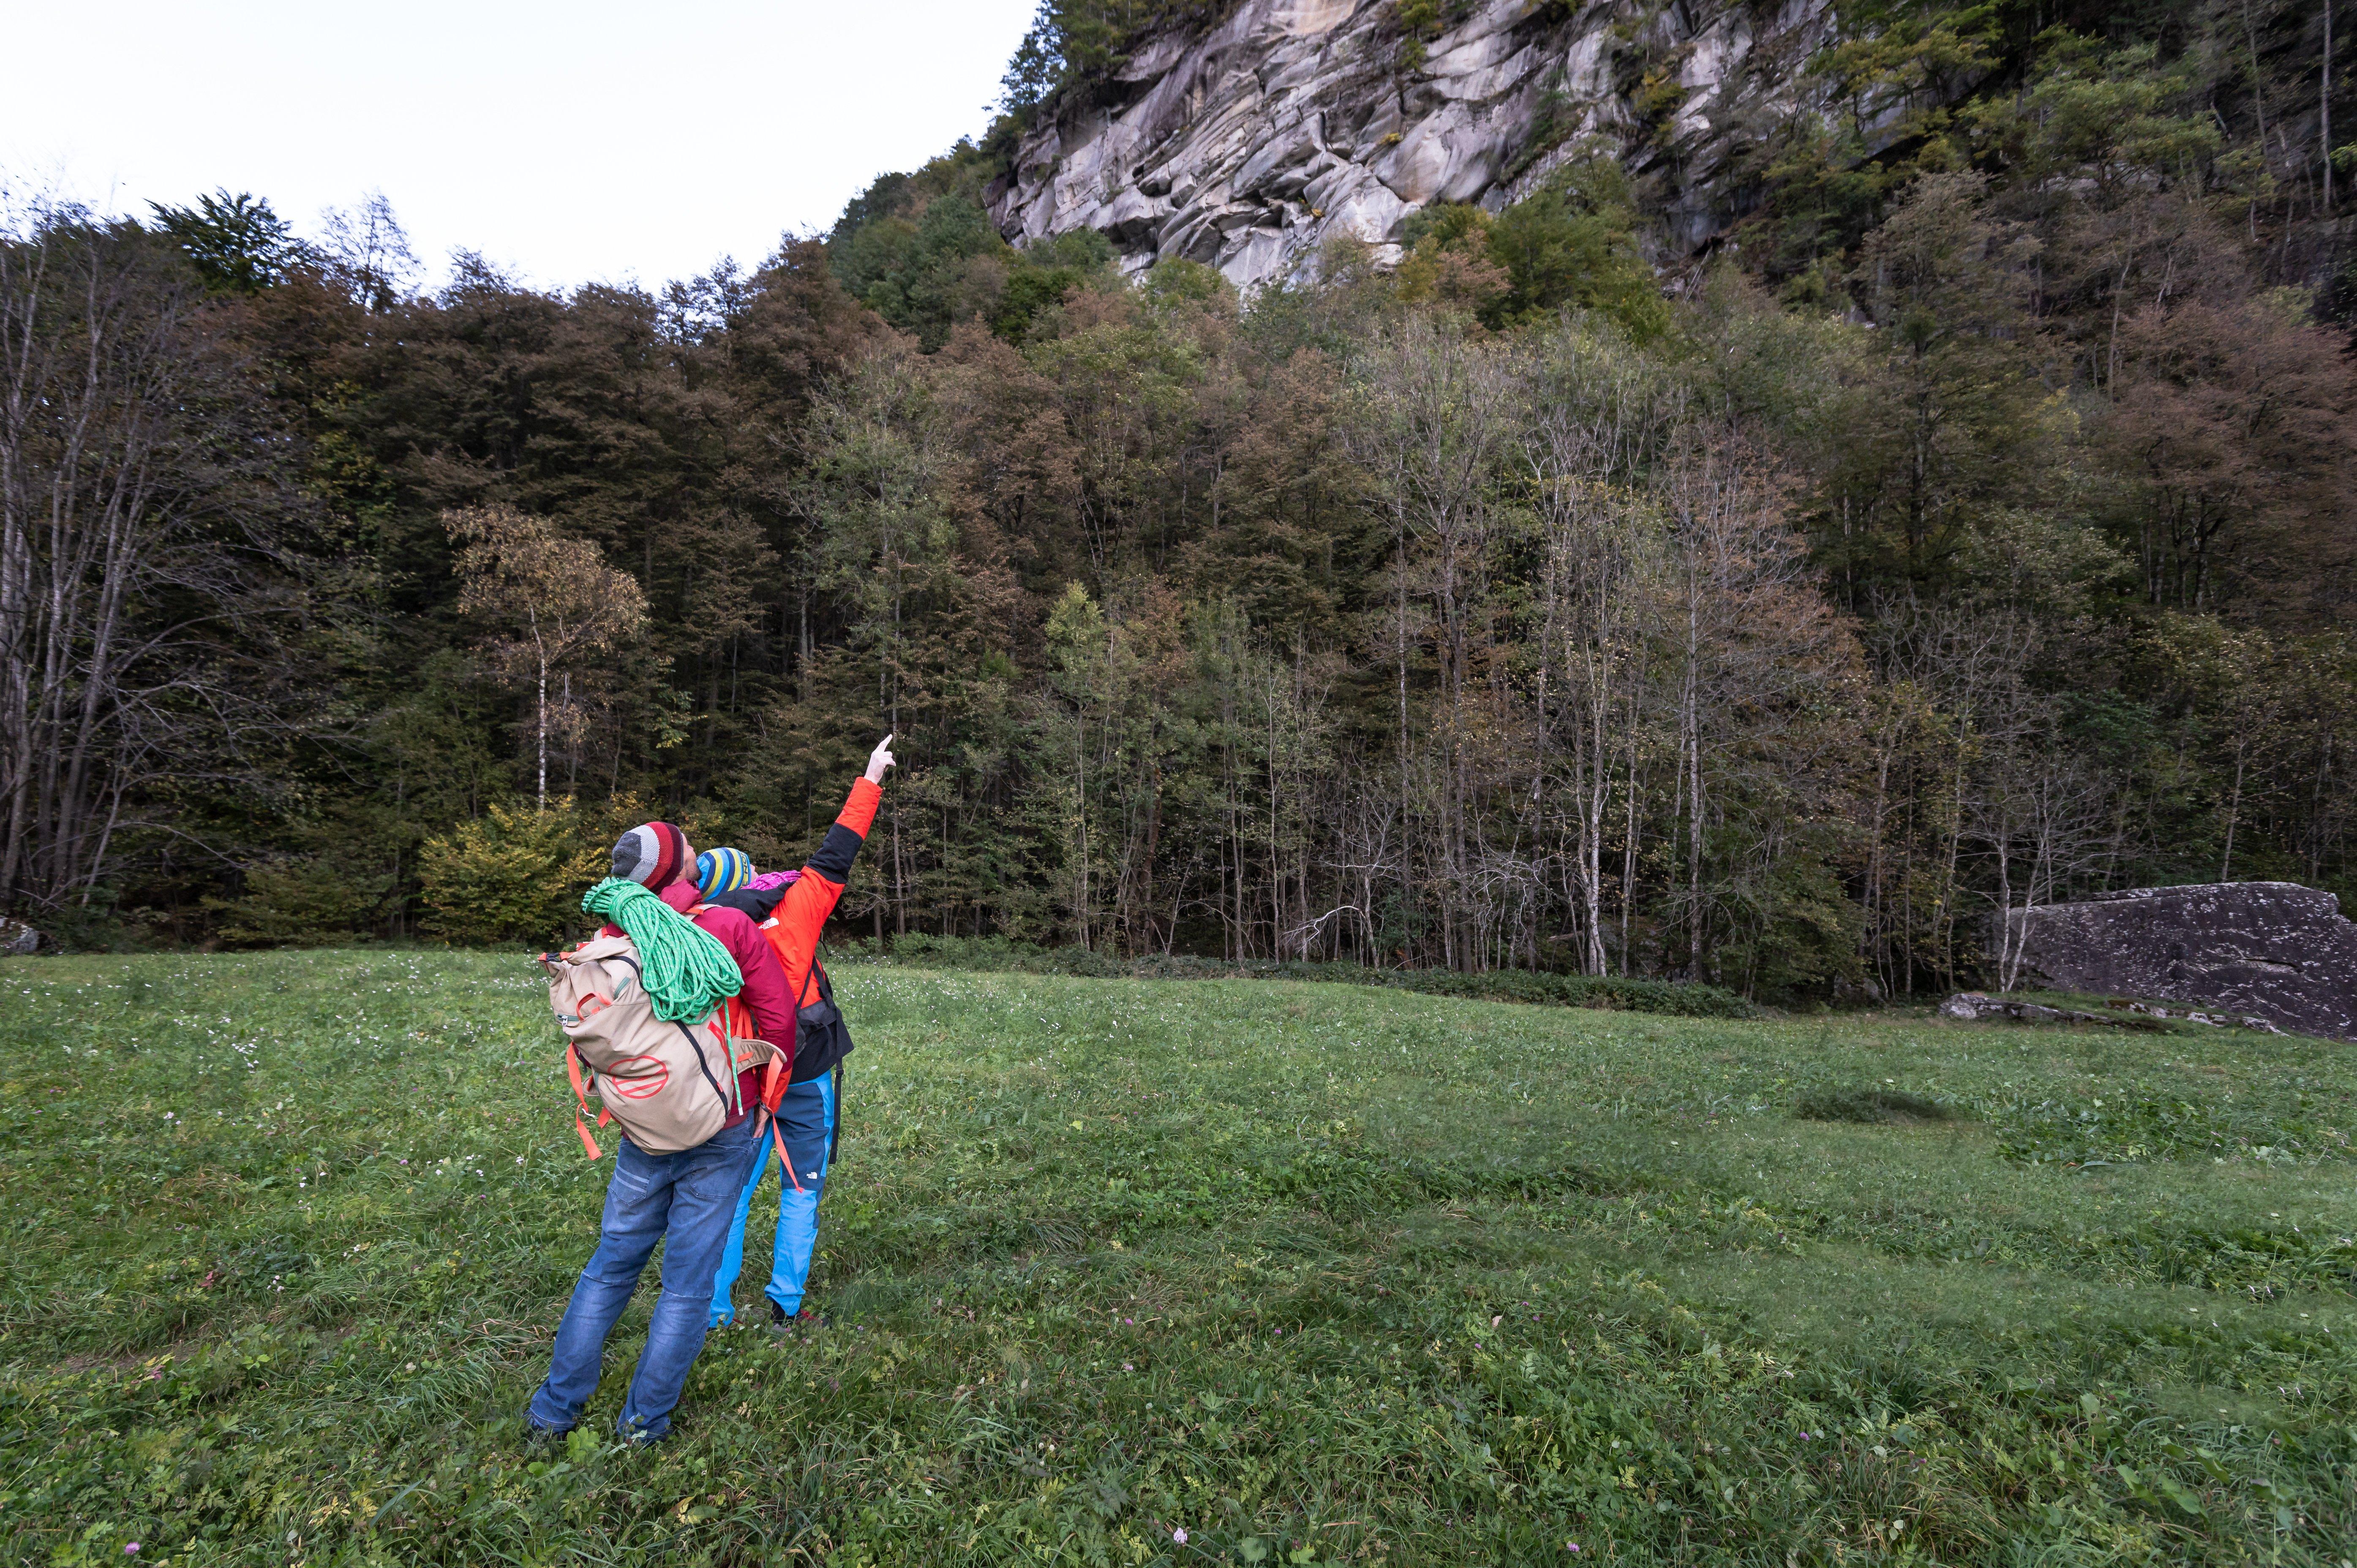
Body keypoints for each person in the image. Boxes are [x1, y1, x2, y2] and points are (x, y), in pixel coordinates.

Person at [523, 819, 798, 1446]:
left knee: (610, 1269)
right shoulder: (725, 927)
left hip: (644, 1128)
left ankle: (552, 1415)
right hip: (724, 1123)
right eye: (692, 856)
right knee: (686, 1288)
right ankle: (643, 1428)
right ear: (673, 871)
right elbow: (780, 1020)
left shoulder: (610, 938)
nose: (701, 863)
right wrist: (767, 1101)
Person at [702, 732, 894, 1328]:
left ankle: (711, 1310)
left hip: (740, 1080)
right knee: (801, 1190)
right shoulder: (797, 909)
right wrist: (870, 777)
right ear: (754, 880)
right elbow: (838, 851)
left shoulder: (694, 934)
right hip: (805, 1074)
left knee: (729, 1200)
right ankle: (785, 1305)